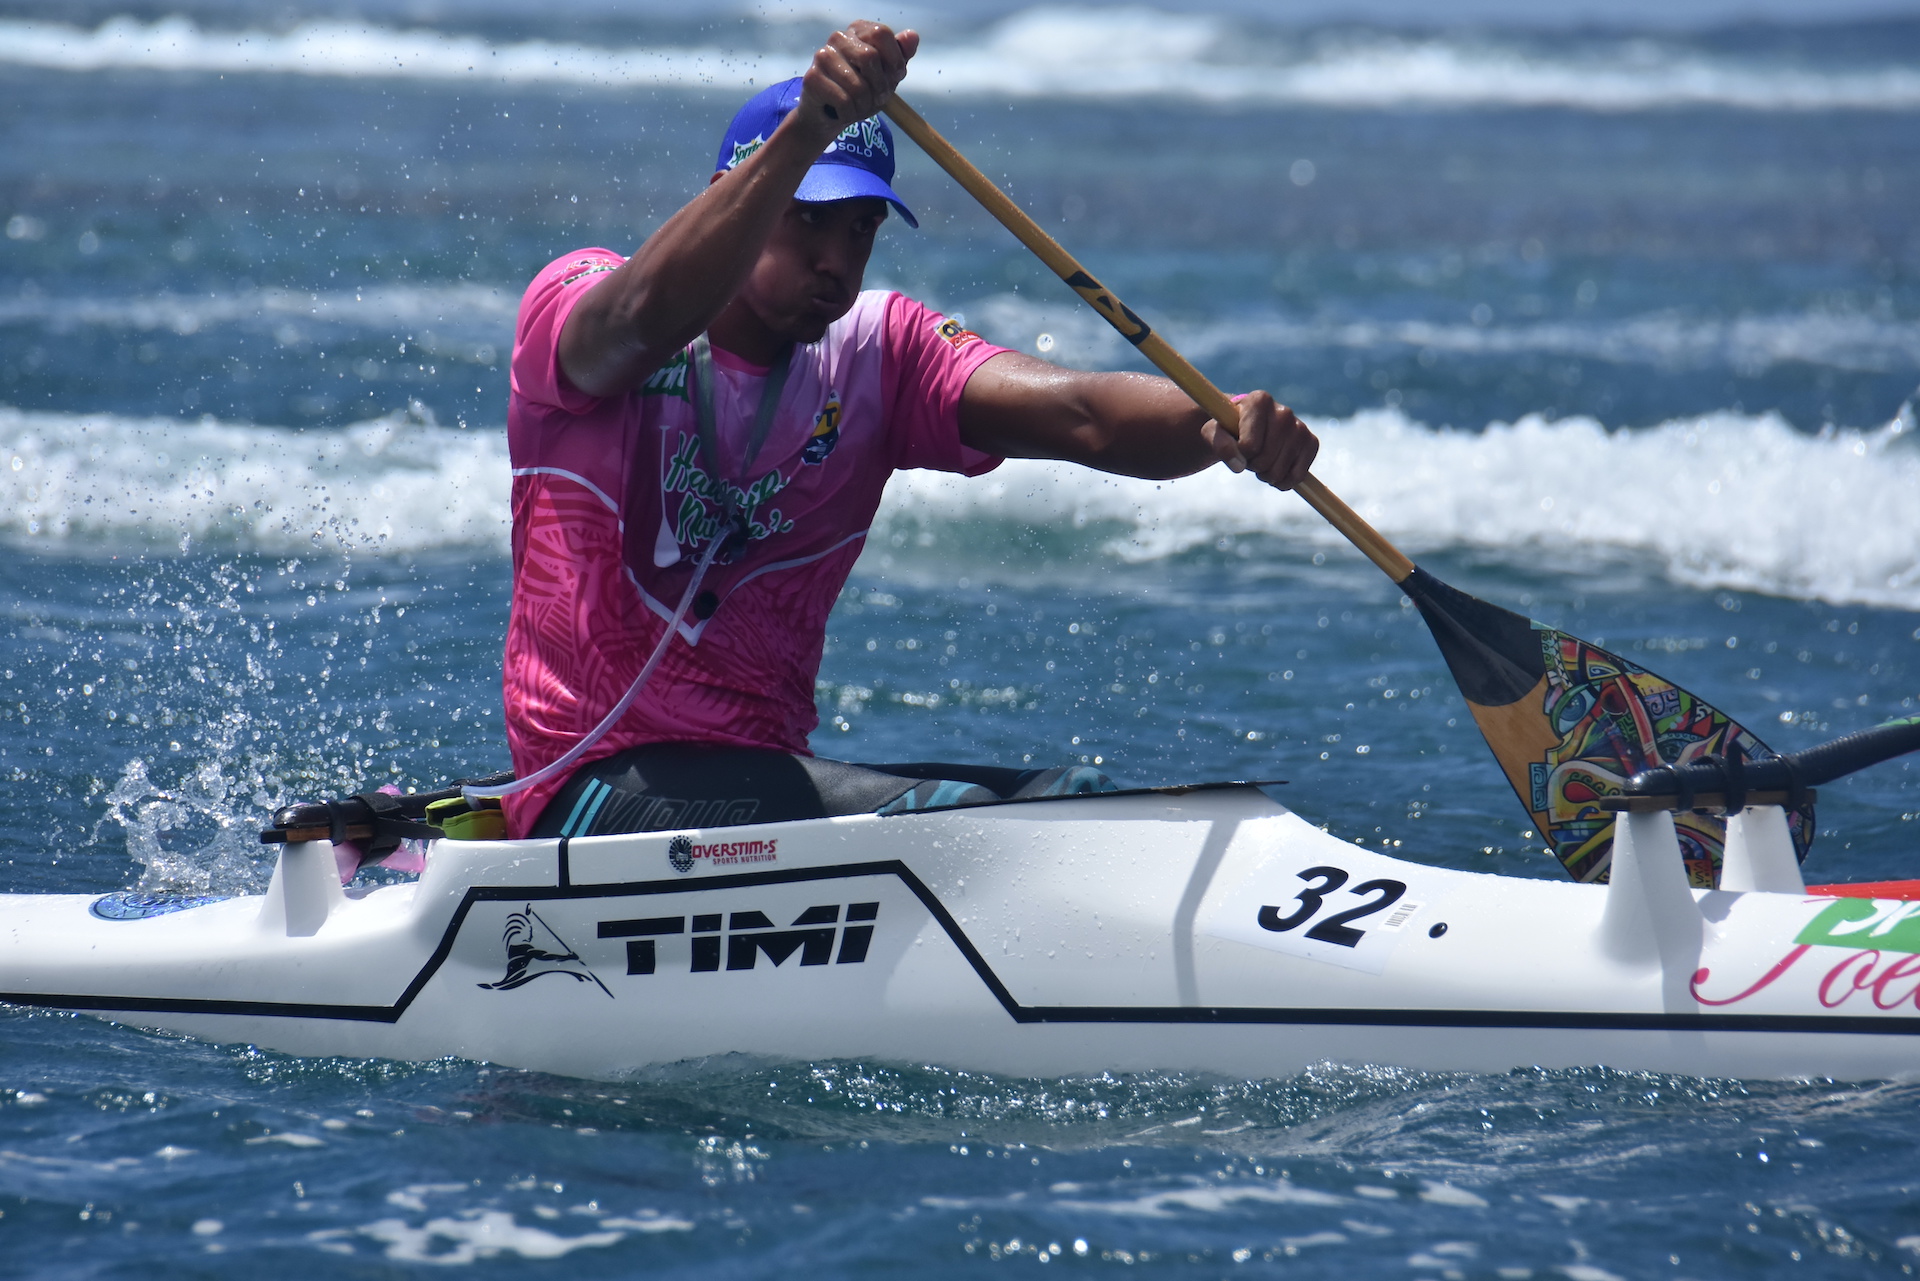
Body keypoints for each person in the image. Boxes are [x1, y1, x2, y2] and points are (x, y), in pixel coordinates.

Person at [499, 20, 1319, 841]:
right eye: (809, 220)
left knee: (1084, 802)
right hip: (584, 789)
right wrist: (806, 131)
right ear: (732, 193)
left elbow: (1085, 417)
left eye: (860, 229)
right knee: (952, 823)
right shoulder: (577, 299)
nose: (837, 260)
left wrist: (1218, 421)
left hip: (763, 793)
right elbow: (643, 315)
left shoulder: (878, 357)